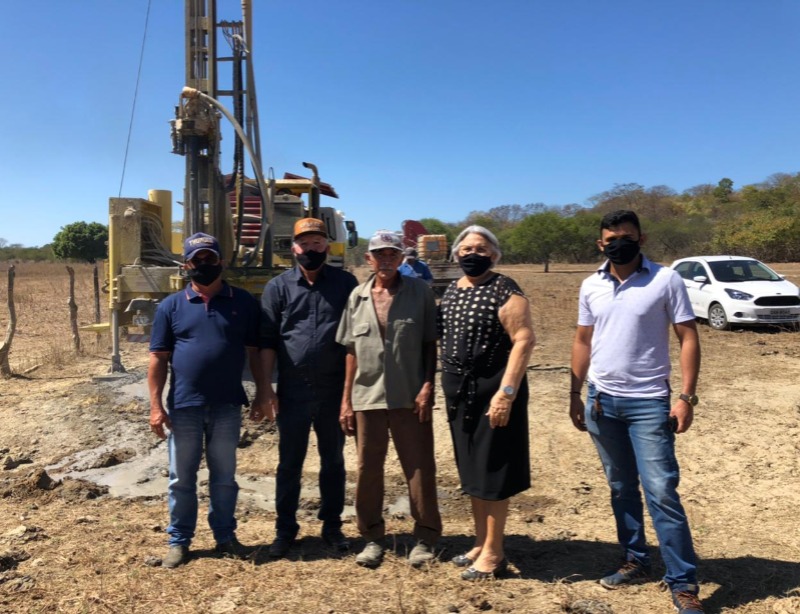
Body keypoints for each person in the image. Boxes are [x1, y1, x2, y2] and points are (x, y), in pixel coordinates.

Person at [569, 210, 703, 614]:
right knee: (620, 487)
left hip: (649, 403)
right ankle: (635, 559)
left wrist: (686, 397)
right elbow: (582, 340)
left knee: (661, 491)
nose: (618, 244)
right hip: (601, 402)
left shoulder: (666, 279)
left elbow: (688, 336)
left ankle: (683, 583)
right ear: (600, 244)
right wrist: (574, 393)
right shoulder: (591, 285)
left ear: (641, 239)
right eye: (611, 239)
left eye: (626, 237)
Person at [148, 232, 268, 569]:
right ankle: (179, 541)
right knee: (181, 479)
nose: (204, 264)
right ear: (186, 265)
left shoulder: (243, 302)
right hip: (184, 406)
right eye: (197, 259)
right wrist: (156, 406)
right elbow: (158, 358)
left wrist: (262, 393)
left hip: (227, 405)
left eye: (210, 258)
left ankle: (225, 537)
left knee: (224, 477)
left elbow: (255, 353)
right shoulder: (171, 306)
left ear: (221, 261)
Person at [336, 230, 442, 569]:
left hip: (410, 396)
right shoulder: (357, 297)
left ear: (401, 257)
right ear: (369, 259)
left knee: (419, 466)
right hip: (367, 396)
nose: (386, 259)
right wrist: (346, 400)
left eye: (392, 253)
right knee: (368, 469)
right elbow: (351, 350)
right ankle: (372, 537)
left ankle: (425, 537)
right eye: (379, 254)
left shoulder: (420, 292)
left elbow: (429, 344)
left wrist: (427, 386)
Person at [437, 225, 536, 580]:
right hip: (460, 393)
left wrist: (506, 393)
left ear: (494, 255)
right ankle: (480, 542)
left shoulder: (505, 289)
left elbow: (524, 339)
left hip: (494, 389)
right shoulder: (453, 289)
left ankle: (494, 553)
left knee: (492, 469)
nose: (472, 254)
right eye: (465, 249)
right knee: (473, 470)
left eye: (480, 249)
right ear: (456, 254)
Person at [260, 217, 358, 558]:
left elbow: (353, 342)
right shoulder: (278, 288)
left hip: (333, 390)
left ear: (327, 247)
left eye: (317, 243)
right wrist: (266, 389)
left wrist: (348, 397)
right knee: (289, 463)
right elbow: (267, 342)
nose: (311, 249)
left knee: (333, 461)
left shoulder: (346, 284)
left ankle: (332, 527)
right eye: (305, 244)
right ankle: (285, 530)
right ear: (294, 248)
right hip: (293, 391)